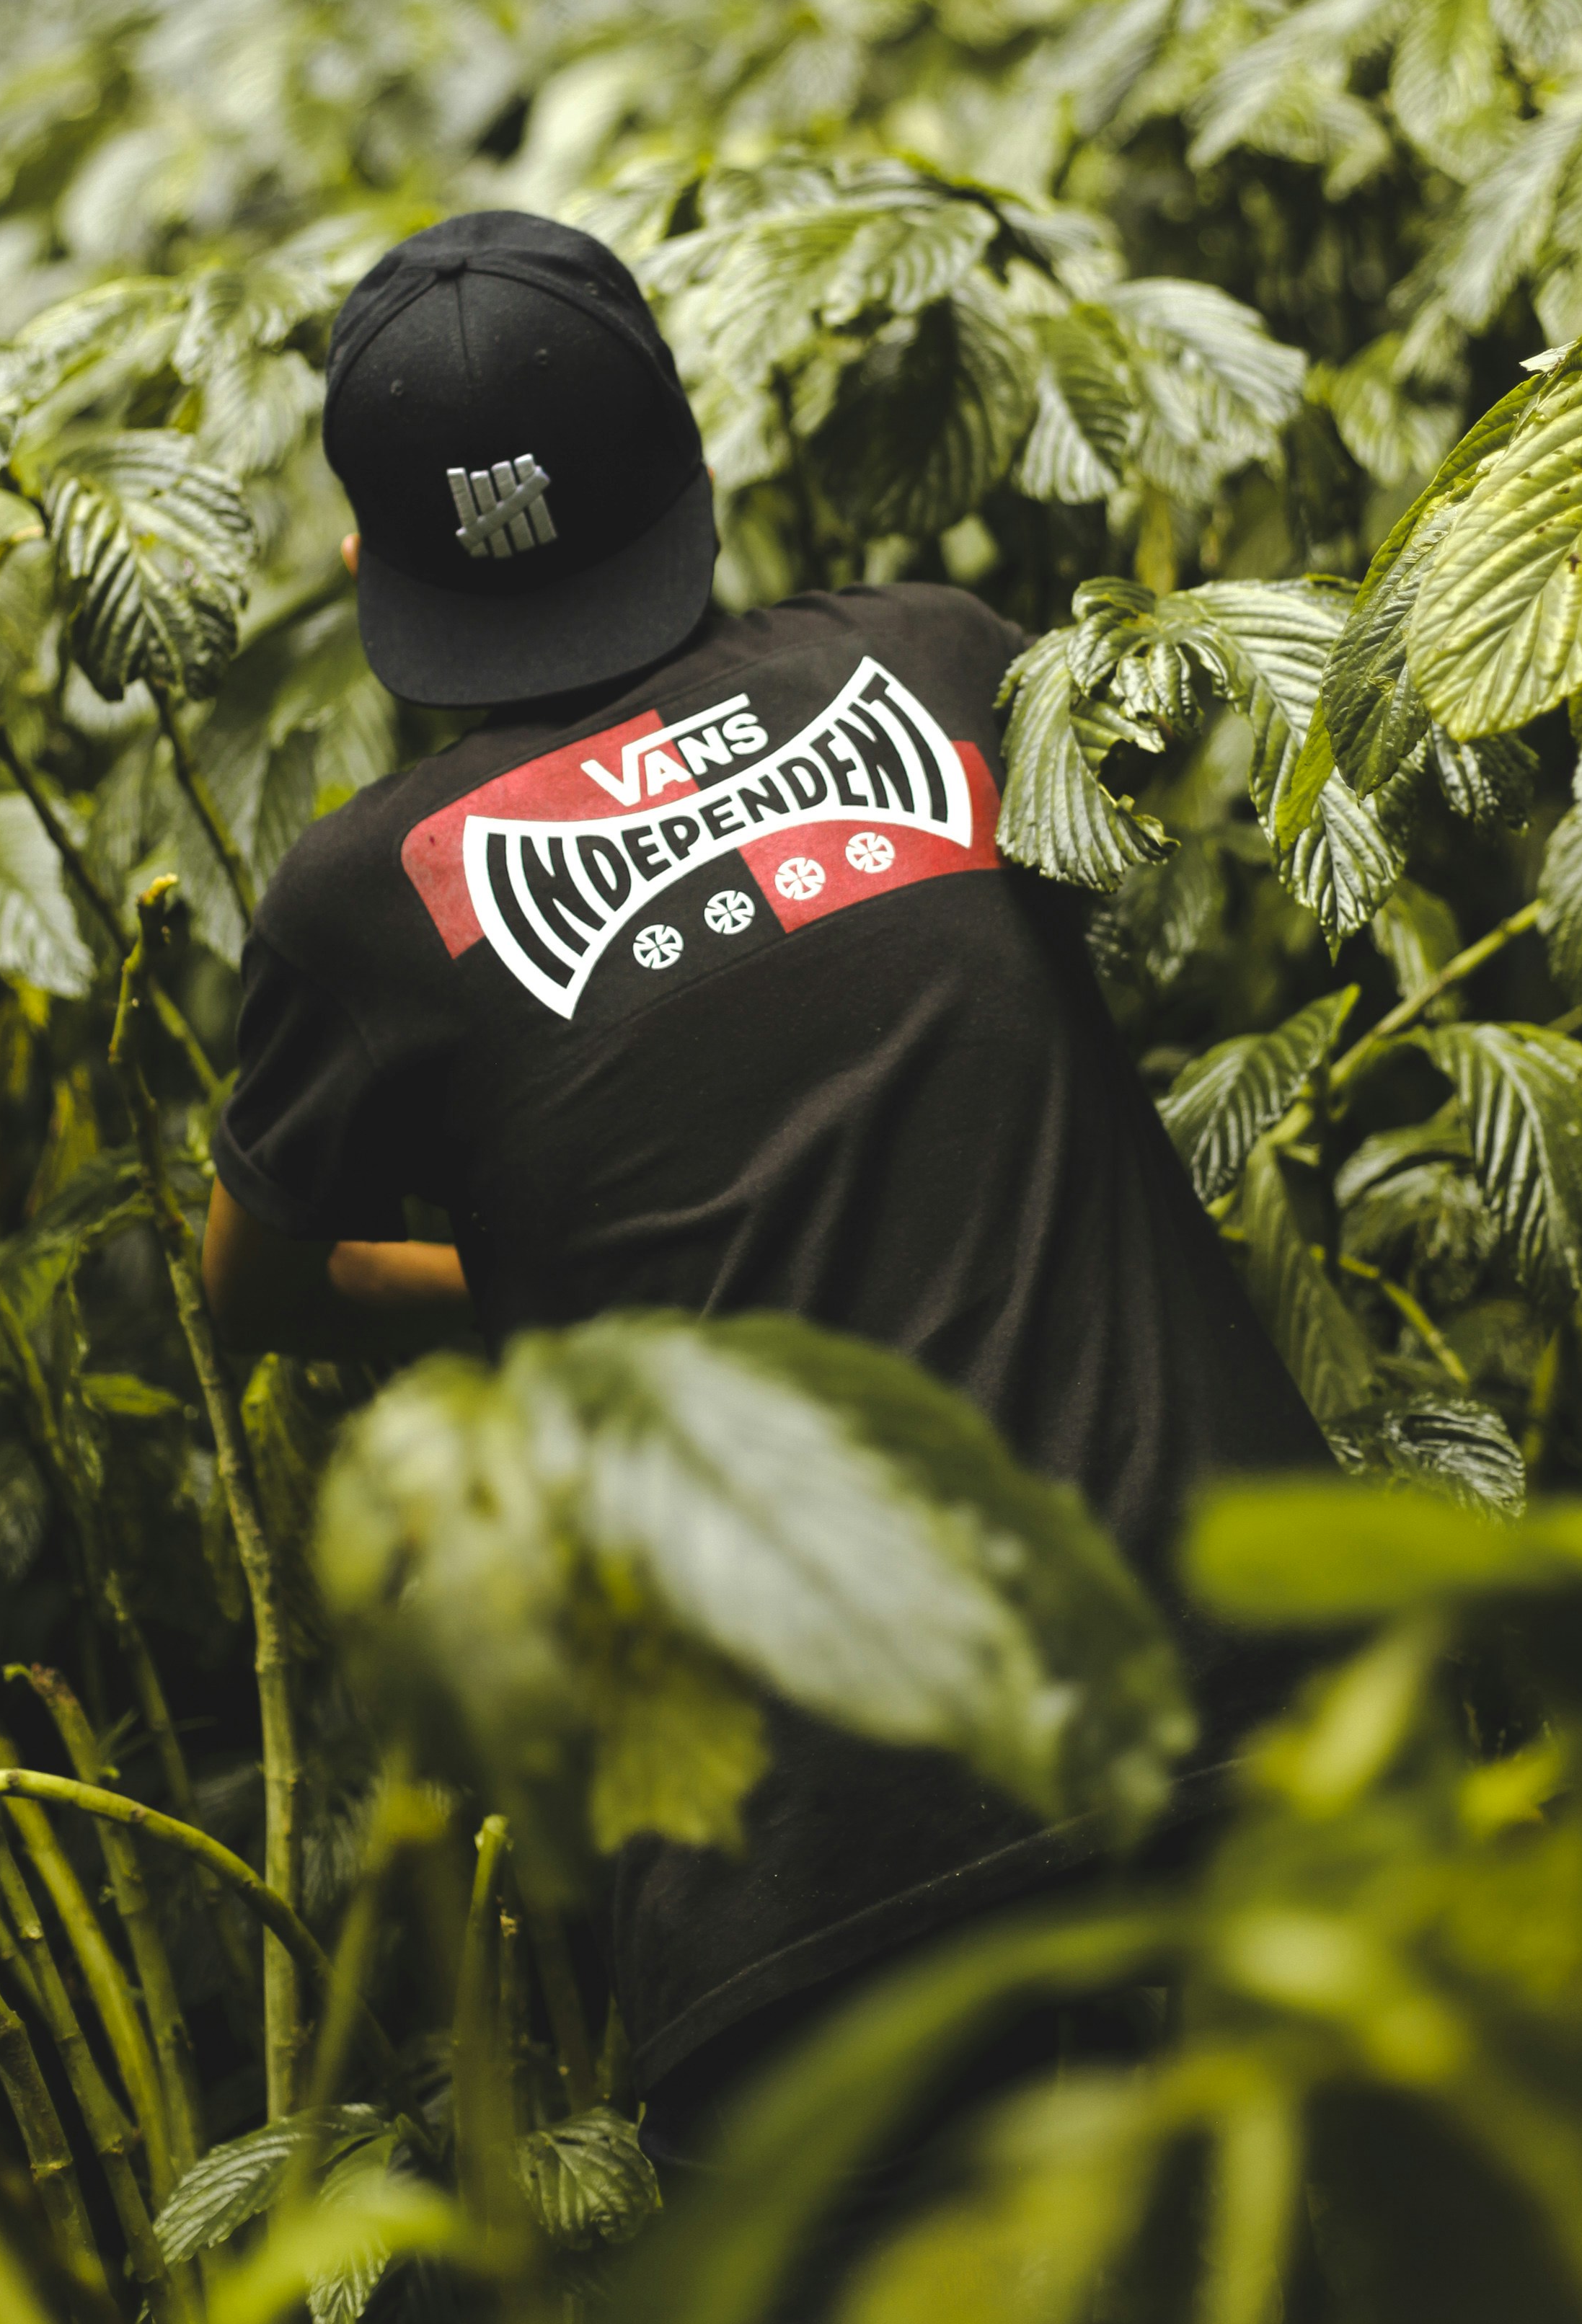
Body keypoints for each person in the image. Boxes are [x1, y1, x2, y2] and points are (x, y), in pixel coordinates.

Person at [199, 208, 1329, 2159]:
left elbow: (255, 1282)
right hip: (1244, 1677)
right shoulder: (941, 661)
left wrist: (541, 1292)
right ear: (687, 457)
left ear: (375, 565)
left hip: (812, 1857)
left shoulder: (363, 899)